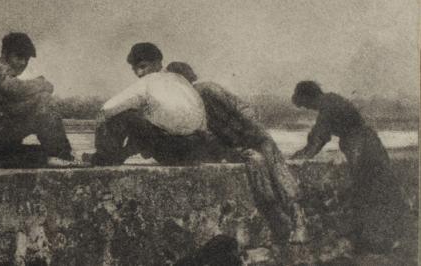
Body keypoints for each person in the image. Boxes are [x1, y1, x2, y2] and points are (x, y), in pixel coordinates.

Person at [166, 62, 307, 243]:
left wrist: (252, 132)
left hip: (254, 136)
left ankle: (299, 222)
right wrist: (229, 150)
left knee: (278, 171)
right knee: (257, 166)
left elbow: (241, 108)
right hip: (236, 146)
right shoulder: (187, 105)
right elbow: (205, 135)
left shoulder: (207, 89)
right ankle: (282, 221)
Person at [290, 81, 407, 253]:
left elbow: (320, 136)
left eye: (306, 105)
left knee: (370, 191)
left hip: (363, 148)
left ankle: (380, 243)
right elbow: (320, 133)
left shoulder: (328, 105)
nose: (309, 109)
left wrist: (303, 156)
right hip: (368, 145)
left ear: (309, 96)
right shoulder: (331, 100)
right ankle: (385, 241)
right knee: (378, 191)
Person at [88, 43, 220, 166]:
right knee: (146, 121)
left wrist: (101, 135)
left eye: (143, 67)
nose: (139, 73)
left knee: (124, 115)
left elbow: (106, 109)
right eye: (134, 69)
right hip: (194, 152)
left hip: (169, 152)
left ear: (157, 64)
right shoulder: (181, 81)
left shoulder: (148, 81)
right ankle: (117, 156)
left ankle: (103, 158)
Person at [0, 32, 80, 168]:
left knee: (44, 155)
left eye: (26, 59)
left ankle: (60, 156)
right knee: (44, 101)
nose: (23, 63)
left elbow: (14, 102)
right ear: (5, 55)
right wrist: (41, 83)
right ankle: (64, 156)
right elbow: (15, 88)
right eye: (19, 57)